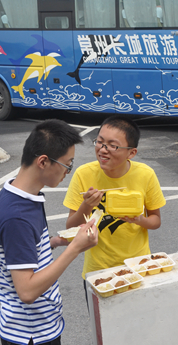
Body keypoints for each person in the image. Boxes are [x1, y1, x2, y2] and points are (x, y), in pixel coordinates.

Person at [0, 120, 99, 345]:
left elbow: (22, 251)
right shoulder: (17, 216)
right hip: (32, 335)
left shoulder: (22, 192)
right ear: (43, 161)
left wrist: (58, 241)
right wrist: (75, 248)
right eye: (67, 164)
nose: (68, 172)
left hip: (35, 328)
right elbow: (26, 291)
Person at [63, 116, 166, 282]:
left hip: (137, 266)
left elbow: (156, 221)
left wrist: (139, 220)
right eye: (100, 142)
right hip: (98, 270)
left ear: (131, 153)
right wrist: (87, 205)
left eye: (113, 146)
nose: (103, 149)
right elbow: (70, 228)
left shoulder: (146, 174)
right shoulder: (83, 174)